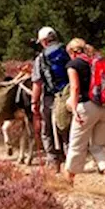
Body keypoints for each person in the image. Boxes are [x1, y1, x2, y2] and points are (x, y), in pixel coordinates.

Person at [62, 39, 105, 191]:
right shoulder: (97, 61)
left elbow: (74, 88)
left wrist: (74, 110)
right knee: (100, 146)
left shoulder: (73, 65)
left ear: (73, 52)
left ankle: (68, 181)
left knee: (76, 145)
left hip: (87, 108)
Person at [30, 26, 71, 167]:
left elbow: (37, 83)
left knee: (46, 129)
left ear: (44, 41)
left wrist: (34, 103)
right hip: (69, 95)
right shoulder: (68, 51)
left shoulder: (41, 58)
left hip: (50, 97)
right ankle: (70, 160)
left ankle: (53, 160)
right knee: (66, 128)